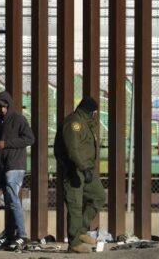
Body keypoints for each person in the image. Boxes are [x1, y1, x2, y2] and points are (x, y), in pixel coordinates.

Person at [54, 97, 105, 254]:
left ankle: (81, 231)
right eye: (95, 113)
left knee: (99, 196)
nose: (96, 116)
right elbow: (73, 149)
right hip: (74, 170)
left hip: (86, 169)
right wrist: (83, 168)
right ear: (89, 111)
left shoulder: (85, 123)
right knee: (75, 206)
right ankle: (74, 243)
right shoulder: (74, 123)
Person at [0, 92, 34, 250]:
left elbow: (30, 138)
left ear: (9, 105)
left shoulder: (19, 119)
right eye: (0, 107)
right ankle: (10, 235)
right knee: (9, 202)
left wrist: (6, 143)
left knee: (13, 200)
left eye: (5, 106)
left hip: (15, 165)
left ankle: (22, 235)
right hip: (3, 166)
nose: (2, 110)